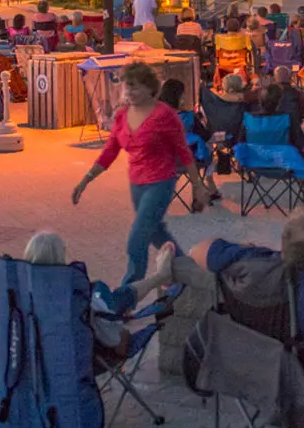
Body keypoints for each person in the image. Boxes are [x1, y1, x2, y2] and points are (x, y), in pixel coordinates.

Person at [73, 63, 215, 285]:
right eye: (126, 87)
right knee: (156, 233)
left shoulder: (165, 115)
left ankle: (126, 296)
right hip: (137, 183)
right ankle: (192, 278)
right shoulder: (121, 117)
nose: (128, 92)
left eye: (134, 87)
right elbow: (110, 152)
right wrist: (86, 180)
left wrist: (197, 185)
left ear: (150, 89)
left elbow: (183, 152)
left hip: (161, 181)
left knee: (136, 241)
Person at [189, 211, 304, 349]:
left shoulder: (252, 264)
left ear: (283, 244)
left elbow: (196, 251)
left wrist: (241, 249)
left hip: (257, 365)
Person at [24, 232, 178, 363]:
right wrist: (124, 326)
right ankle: (160, 276)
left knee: (101, 291)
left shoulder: (24, 300)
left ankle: (158, 278)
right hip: (90, 357)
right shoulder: (74, 299)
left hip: (47, 362)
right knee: (106, 295)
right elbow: (117, 342)